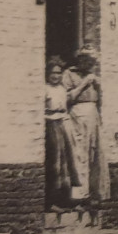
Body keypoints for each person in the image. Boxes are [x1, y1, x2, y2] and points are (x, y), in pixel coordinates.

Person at [63, 48, 110, 226]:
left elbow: (100, 100)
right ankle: (78, 197)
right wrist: (84, 84)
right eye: (86, 61)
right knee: (79, 154)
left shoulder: (93, 76)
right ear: (80, 60)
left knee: (94, 155)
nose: (89, 65)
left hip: (92, 116)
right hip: (77, 115)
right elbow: (67, 98)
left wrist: (98, 88)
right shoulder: (69, 74)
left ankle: (93, 195)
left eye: (92, 62)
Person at [43, 56, 78, 210]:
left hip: (64, 123)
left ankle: (66, 200)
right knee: (55, 163)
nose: (56, 76)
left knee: (67, 162)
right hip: (51, 123)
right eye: (52, 73)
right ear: (47, 74)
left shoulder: (63, 89)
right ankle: (52, 201)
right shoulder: (45, 89)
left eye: (58, 73)